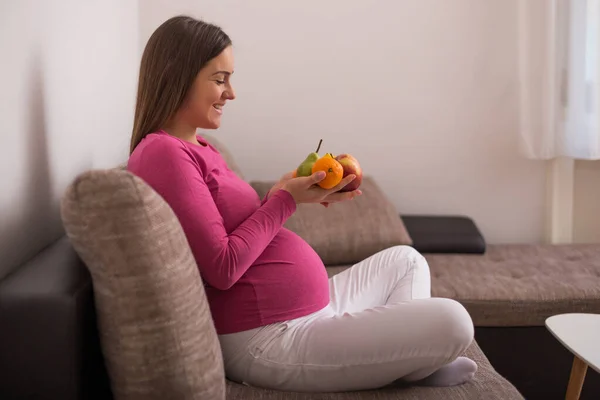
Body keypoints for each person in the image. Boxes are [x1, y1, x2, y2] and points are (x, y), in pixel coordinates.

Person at [127, 15, 477, 393]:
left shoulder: (200, 147)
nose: (231, 93)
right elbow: (223, 267)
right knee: (454, 321)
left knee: (406, 260)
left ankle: (409, 361)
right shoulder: (164, 153)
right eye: (219, 79)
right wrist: (283, 201)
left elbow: (230, 226)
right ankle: (412, 362)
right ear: (176, 75)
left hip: (307, 312)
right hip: (267, 337)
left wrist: (284, 193)